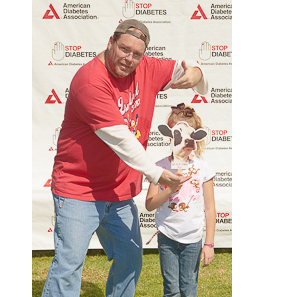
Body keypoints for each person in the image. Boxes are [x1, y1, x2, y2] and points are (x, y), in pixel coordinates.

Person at [41, 19, 208, 297]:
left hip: (118, 193)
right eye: (123, 49)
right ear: (111, 42)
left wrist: (197, 72)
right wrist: (157, 174)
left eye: (137, 54)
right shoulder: (89, 81)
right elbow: (121, 139)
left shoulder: (147, 68)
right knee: (69, 266)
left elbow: (184, 67)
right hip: (78, 190)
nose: (129, 58)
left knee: (130, 260)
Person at [145, 103, 216, 297]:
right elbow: (150, 204)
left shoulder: (203, 168)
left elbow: (210, 208)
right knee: (171, 290)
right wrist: (170, 189)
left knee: (189, 288)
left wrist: (208, 244)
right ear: (168, 136)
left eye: (186, 136)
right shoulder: (158, 167)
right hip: (167, 236)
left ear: (194, 137)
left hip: (193, 239)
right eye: (175, 135)